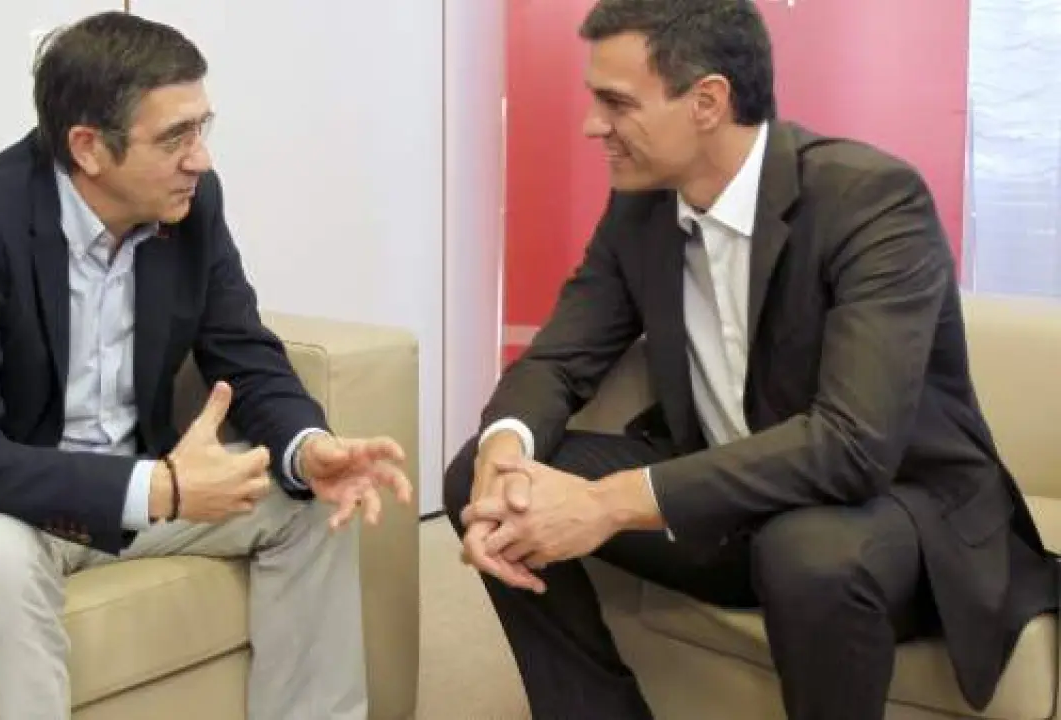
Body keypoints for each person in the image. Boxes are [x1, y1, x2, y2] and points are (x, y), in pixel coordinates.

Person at [444, 1, 1057, 719]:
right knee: (483, 480)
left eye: (617, 103)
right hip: (725, 499)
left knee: (808, 553)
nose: (592, 125)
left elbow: (852, 447)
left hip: (893, 516)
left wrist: (605, 504)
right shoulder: (640, 212)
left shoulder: (870, 200)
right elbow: (557, 361)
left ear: (707, 101)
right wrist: (505, 455)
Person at [0, 11, 411, 720]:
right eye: (175, 138)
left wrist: (308, 448)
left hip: (129, 485)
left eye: (202, 128)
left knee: (311, 502)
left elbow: (242, 350)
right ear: (88, 147)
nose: (201, 159)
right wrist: (159, 488)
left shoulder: (190, 205)